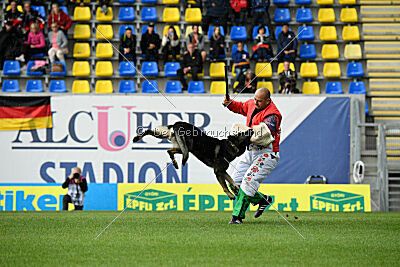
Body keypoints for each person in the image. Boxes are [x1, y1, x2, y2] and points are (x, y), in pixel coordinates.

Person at [222, 87, 282, 224]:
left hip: (267, 154)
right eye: (254, 99)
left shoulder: (273, 115)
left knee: (248, 181)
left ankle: (237, 217)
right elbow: (241, 107)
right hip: (250, 151)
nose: (255, 103)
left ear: (268, 101)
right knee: (234, 181)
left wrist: (242, 132)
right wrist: (229, 104)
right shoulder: (252, 103)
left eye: (259, 101)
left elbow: (262, 134)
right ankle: (262, 200)